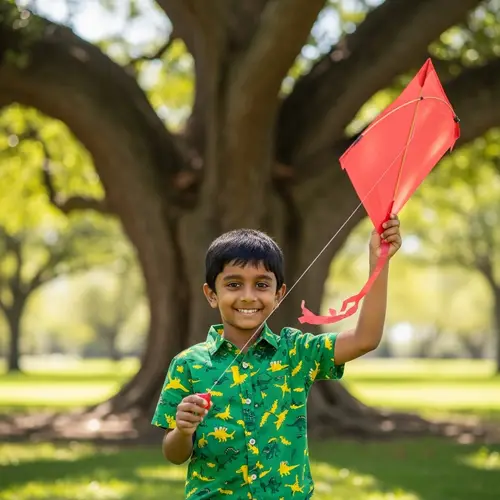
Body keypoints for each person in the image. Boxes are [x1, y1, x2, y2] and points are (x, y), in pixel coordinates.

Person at [151, 215, 402, 499]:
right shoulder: (188, 364)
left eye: (261, 285)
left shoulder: (295, 351)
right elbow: (174, 454)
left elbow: (364, 339)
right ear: (211, 294)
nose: (248, 296)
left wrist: (379, 261)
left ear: (279, 294)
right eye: (233, 284)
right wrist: (183, 431)